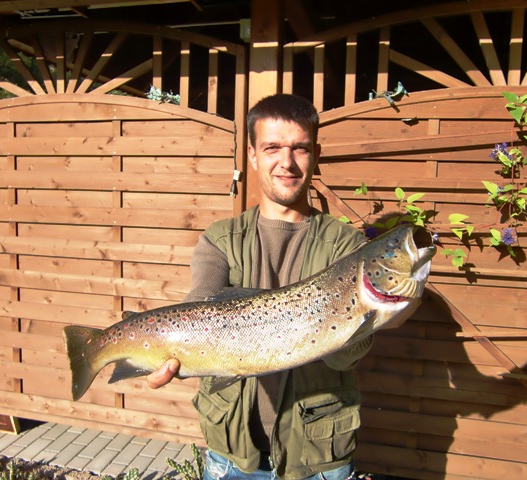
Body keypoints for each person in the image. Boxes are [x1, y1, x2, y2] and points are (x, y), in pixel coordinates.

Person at [147, 93, 373, 480]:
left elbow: (344, 357)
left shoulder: (347, 248)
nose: (286, 162)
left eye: (299, 149)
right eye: (272, 148)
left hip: (319, 457)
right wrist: (170, 352)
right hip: (231, 454)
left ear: (315, 154)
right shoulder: (220, 238)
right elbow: (199, 302)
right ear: (252, 155)